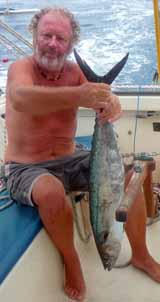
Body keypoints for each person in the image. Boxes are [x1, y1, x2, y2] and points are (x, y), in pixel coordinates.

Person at [4, 7, 160, 301]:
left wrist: (110, 104)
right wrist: (80, 95)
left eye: (60, 38)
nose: (52, 43)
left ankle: (141, 255)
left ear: (70, 44)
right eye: (46, 35)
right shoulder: (21, 69)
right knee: (50, 192)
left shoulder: (76, 74)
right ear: (35, 36)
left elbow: (105, 99)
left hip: (72, 156)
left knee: (131, 178)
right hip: (27, 167)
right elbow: (19, 98)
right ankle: (72, 261)